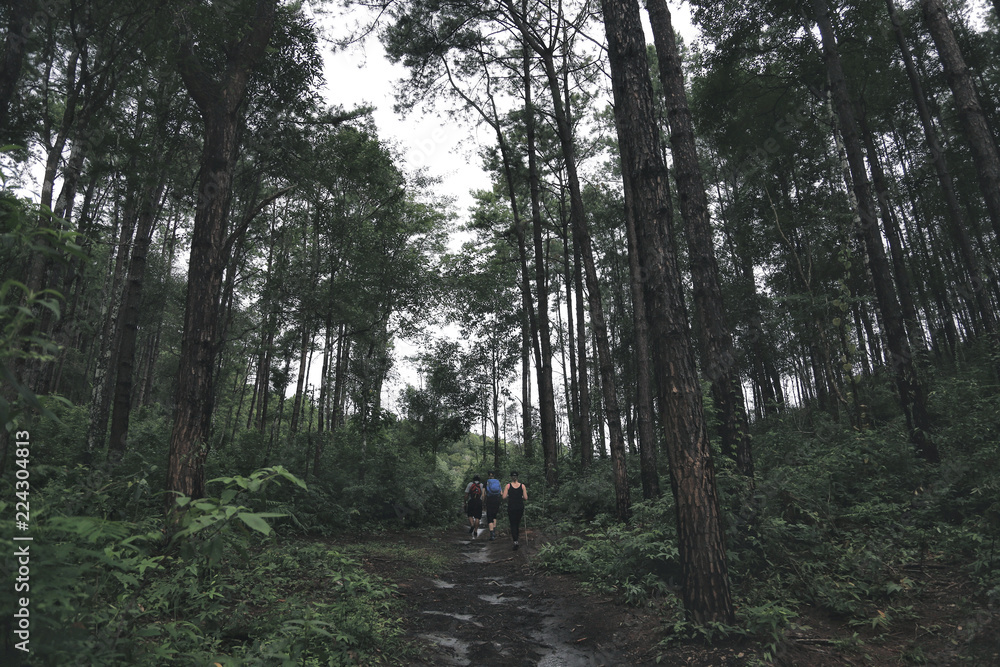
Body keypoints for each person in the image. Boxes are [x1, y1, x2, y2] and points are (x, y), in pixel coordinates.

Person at [502, 471, 527, 550]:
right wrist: (521, 496)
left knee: (513, 524)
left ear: (511, 477)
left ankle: (515, 541)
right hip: (520, 507)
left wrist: (509, 495)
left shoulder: (508, 486)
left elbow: (504, 497)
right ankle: (516, 539)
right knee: (517, 523)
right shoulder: (522, 486)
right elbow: (526, 498)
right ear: (517, 477)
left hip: (511, 507)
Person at [483, 470, 503, 541]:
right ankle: (494, 531)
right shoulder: (497, 481)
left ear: (488, 475)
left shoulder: (486, 482)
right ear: (494, 475)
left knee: (490, 516)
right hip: (497, 500)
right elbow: (501, 493)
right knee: (494, 515)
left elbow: (483, 494)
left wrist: (483, 502)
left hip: (489, 500)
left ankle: (491, 535)